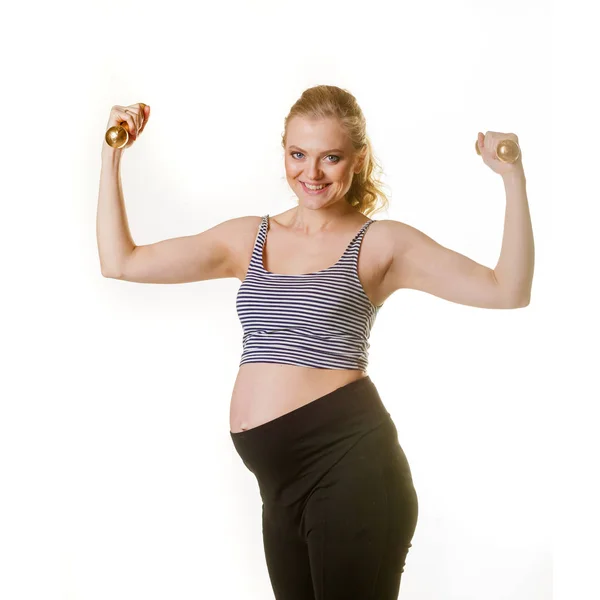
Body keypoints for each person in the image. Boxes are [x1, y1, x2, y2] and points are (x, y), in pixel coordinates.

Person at [97, 85, 533, 599]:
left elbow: (508, 290)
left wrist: (512, 176)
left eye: (331, 157)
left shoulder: (381, 243)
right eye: (298, 155)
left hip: (353, 471)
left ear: (358, 158)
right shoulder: (250, 238)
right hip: (279, 489)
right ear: (283, 151)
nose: (311, 173)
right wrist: (111, 154)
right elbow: (120, 262)